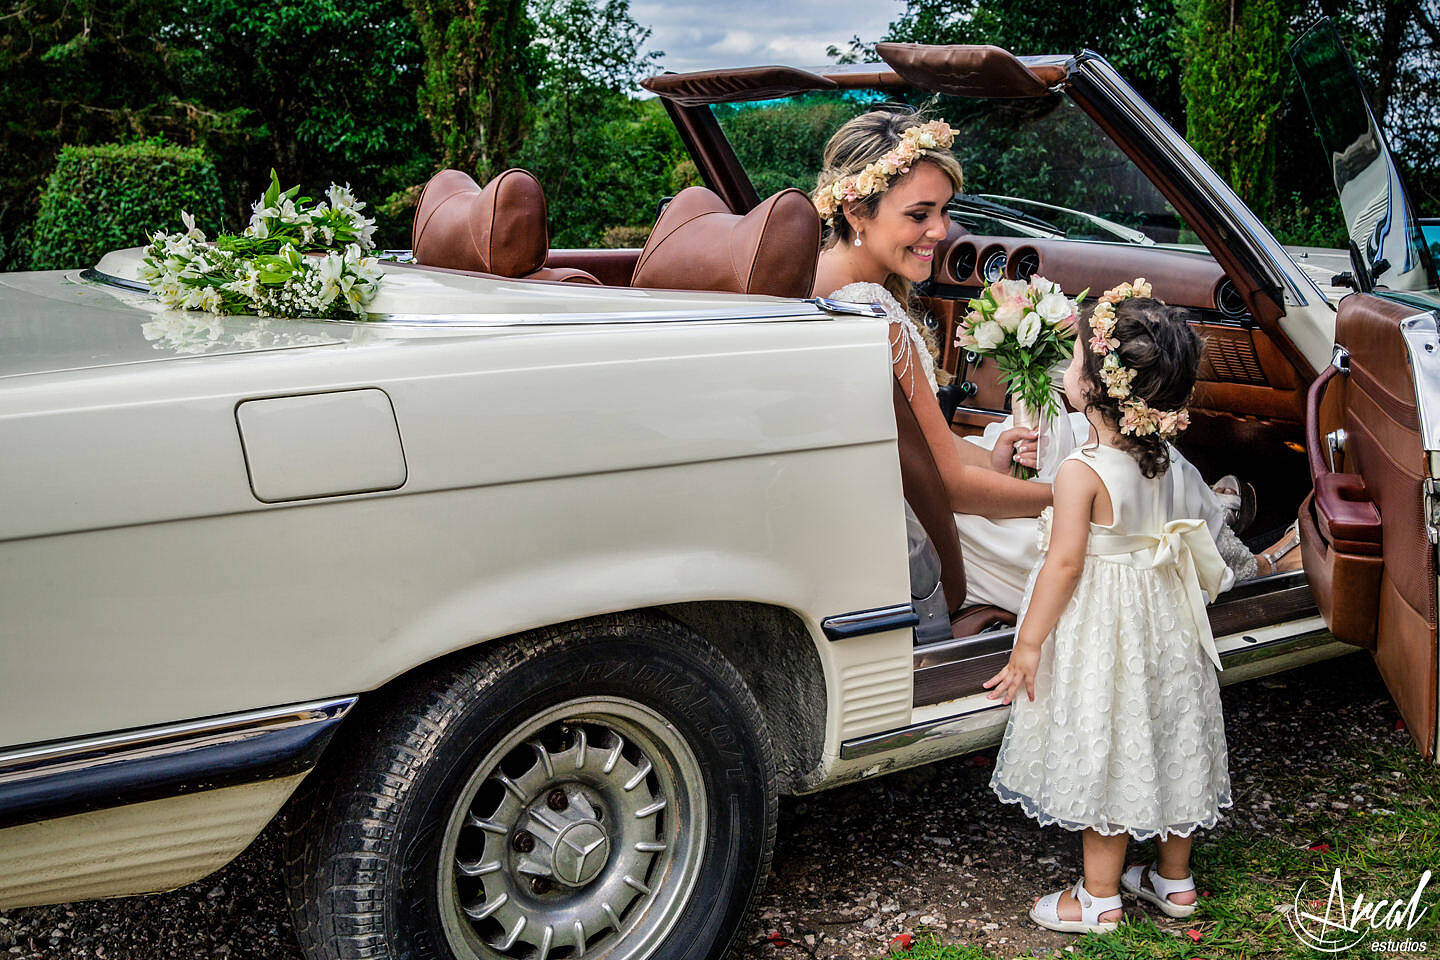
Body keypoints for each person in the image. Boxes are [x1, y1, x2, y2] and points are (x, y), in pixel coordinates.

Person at [808, 107, 1287, 610]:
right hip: (936, 528)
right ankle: (1254, 562)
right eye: (919, 215)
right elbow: (950, 485)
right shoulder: (873, 313)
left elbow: (924, 447)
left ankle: (1214, 521)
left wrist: (991, 461)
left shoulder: (814, 285)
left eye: (946, 211)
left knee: (1078, 439)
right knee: (1115, 460)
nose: (941, 231)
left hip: (897, 501)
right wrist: (1070, 496)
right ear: (857, 210)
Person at [982, 294, 1231, 934]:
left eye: (1075, 358)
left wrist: (1029, 643)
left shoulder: (1081, 470)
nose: (1068, 366)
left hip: (1108, 628)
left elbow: (1064, 566)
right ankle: (1174, 883)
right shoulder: (1172, 459)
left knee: (1110, 740)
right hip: (1167, 620)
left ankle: (1098, 898)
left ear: (1095, 385)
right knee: (1169, 729)